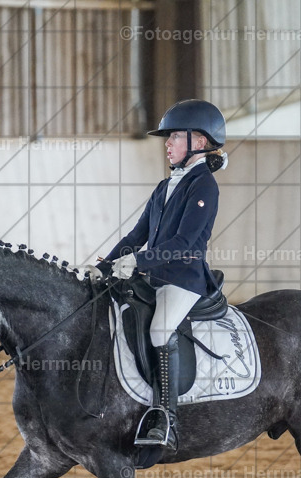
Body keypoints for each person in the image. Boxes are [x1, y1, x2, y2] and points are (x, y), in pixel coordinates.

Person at [101, 99, 228, 455]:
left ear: (199, 142)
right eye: (167, 138)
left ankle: (166, 417)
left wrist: (138, 262)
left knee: (160, 329)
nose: (167, 144)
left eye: (174, 137)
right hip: (152, 275)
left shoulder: (203, 186)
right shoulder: (164, 186)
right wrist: (106, 266)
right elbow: (133, 238)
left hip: (183, 279)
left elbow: (184, 243)